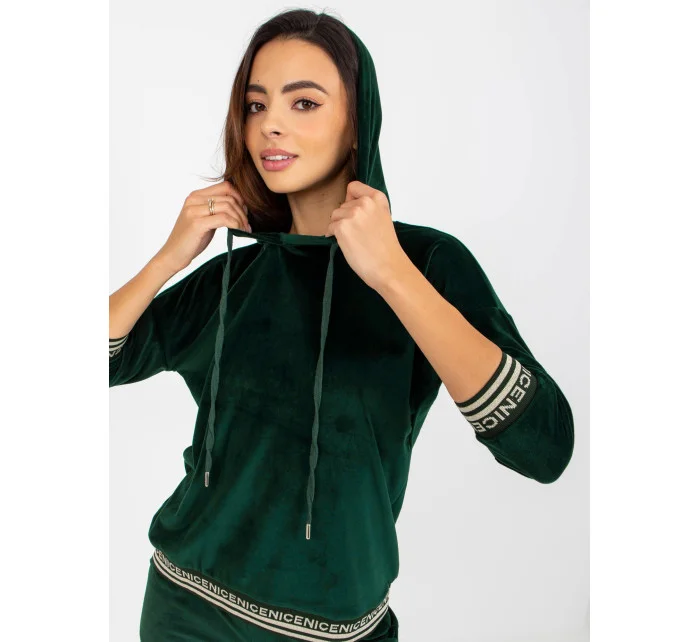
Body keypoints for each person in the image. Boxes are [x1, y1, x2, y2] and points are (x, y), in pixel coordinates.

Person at [109, 9, 575, 642]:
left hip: (339, 627)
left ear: (358, 123)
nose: (269, 123)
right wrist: (168, 258)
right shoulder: (235, 275)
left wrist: (392, 274)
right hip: (183, 609)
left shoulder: (427, 264)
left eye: (303, 102)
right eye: (255, 105)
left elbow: (545, 449)